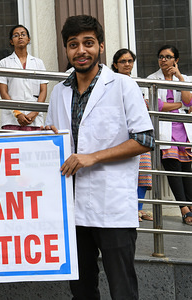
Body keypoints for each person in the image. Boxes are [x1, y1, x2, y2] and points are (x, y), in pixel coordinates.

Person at [44, 15, 154, 299]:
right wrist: (49, 139)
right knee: (81, 290)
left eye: (88, 43)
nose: (81, 50)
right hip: (73, 208)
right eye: (73, 44)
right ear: (66, 50)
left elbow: (144, 140)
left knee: (122, 289)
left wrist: (92, 157)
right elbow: (57, 141)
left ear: (101, 46)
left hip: (112, 206)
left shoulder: (122, 85)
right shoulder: (58, 92)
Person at [147, 45, 192, 226]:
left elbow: (190, 101)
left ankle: (190, 207)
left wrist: (179, 78)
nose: (163, 60)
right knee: (173, 168)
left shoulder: (186, 79)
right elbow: (157, 105)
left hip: (184, 130)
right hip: (165, 130)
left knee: (187, 172)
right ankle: (184, 209)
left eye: (168, 56)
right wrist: (182, 105)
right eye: (161, 57)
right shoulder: (152, 78)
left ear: (176, 60)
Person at [112, 48, 153, 222]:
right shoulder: (113, 83)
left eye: (130, 61)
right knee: (124, 172)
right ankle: (130, 208)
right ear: (115, 64)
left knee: (143, 172)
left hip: (139, 132)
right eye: (123, 61)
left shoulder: (136, 83)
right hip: (122, 135)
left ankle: (139, 207)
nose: (127, 64)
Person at [0, 24, 48, 130]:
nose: (20, 37)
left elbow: (43, 90)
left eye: (23, 34)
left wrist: (35, 112)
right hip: (12, 119)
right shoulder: (4, 63)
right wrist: (18, 114)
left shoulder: (38, 63)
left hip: (34, 119)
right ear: (11, 41)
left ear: (28, 39)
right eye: (16, 35)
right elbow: (3, 93)